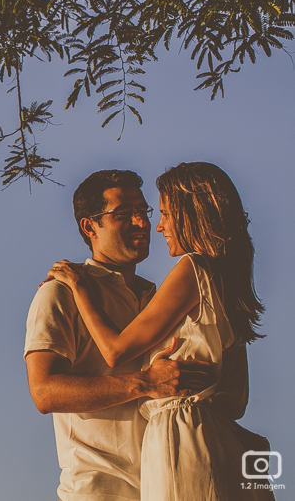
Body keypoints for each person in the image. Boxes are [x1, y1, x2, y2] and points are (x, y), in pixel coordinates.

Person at [48, 162, 273, 500]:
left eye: (162, 213)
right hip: (209, 435)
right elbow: (235, 396)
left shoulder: (193, 269)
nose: (158, 226)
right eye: (128, 213)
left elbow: (115, 350)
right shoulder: (224, 280)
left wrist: (80, 286)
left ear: (190, 213)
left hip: (181, 437)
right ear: (89, 226)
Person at [25, 169, 215, 501]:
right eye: (123, 215)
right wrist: (145, 382)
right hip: (99, 488)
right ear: (90, 226)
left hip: (169, 483)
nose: (142, 224)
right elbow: (44, 392)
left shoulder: (160, 300)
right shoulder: (60, 294)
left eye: (144, 212)